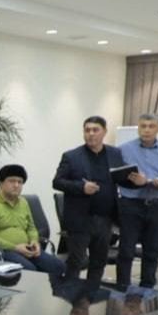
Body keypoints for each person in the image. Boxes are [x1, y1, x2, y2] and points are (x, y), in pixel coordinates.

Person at [52, 116, 123, 292]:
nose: (91, 134)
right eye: (87, 130)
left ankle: (91, 294)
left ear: (104, 132)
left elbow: (120, 178)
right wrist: (81, 187)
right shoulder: (72, 156)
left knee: (99, 261)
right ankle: (71, 294)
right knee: (76, 261)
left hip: (105, 218)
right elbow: (57, 182)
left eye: (95, 130)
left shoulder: (115, 154)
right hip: (80, 219)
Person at [0, 164, 66, 276]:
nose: (16, 185)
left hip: (26, 248)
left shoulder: (23, 202)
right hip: (2, 250)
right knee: (30, 270)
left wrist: (34, 241)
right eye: (11, 181)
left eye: (20, 182)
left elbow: (31, 228)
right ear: (1, 183)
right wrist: (15, 248)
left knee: (59, 266)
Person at [118, 113, 158, 288]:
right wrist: (135, 181)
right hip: (130, 204)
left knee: (152, 250)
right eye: (143, 126)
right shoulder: (123, 149)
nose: (147, 130)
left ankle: (147, 288)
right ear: (138, 128)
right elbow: (117, 177)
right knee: (126, 249)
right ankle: (122, 287)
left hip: (156, 205)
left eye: (151, 126)